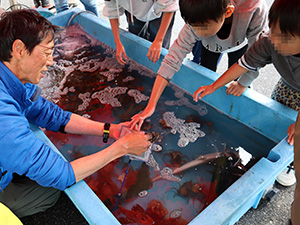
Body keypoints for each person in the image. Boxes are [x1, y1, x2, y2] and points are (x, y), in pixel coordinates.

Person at [0, 9, 151, 218]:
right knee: (52, 192)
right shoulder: (2, 115)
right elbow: (61, 175)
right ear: (19, 49)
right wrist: (123, 148)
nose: (51, 61)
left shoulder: (11, 79)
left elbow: (52, 116)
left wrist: (112, 129)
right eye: (46, 52)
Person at [193, 0, 300, 187]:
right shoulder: (269, 40)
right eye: (273, 30)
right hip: (289, 84)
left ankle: (290, 162)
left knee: (296, 133)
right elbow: (244, 63)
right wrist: (214, 86)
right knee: (280, 118)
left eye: (285, 37)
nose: (275, 40)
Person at [130, 0, 267, 130]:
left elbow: (256, 55)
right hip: (210, 44)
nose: (198, 33)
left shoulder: (253, 8)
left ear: (228, 12)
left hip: (241, 45)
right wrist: (151, 105)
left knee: (239, 84)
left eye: (202, 27)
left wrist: (244, 83)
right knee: (206, 71)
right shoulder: (197, 18)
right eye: (193, 27)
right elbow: (172, 59)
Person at [103, 0, 178, 65]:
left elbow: (169, 5)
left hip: (161, 11)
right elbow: (112, 11)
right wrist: (117, 42)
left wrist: (159, 40)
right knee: (136, 45)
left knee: (158, 51)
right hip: (133, 12)